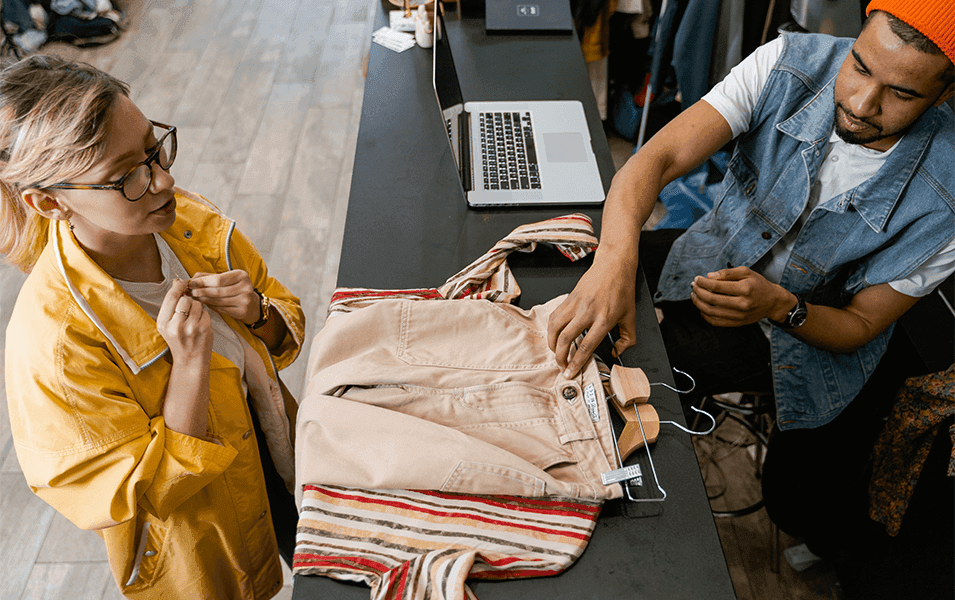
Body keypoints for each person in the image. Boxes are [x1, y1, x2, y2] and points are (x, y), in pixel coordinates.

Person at [547, 0, 955, 560]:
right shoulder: (789, 63)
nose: (861, 104)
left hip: (804, 335)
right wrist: (612, 263)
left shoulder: (946, 200)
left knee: (636, 374)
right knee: (567, 278)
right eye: (860, 66)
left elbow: (861, 323)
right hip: (714, 256)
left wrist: (778, 306)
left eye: (902, 94)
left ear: (945, 95)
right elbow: (656, 160)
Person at [2, 55, 305, 599]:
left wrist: (259, 313)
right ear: (48, 202)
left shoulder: (187, 223)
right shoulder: (52, 345)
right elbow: (139, 495)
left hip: (279, 455)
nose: (165, 180)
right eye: (126, 177)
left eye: (153, 148)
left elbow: (283, 325)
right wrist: (189, 365)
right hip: (205, 538)